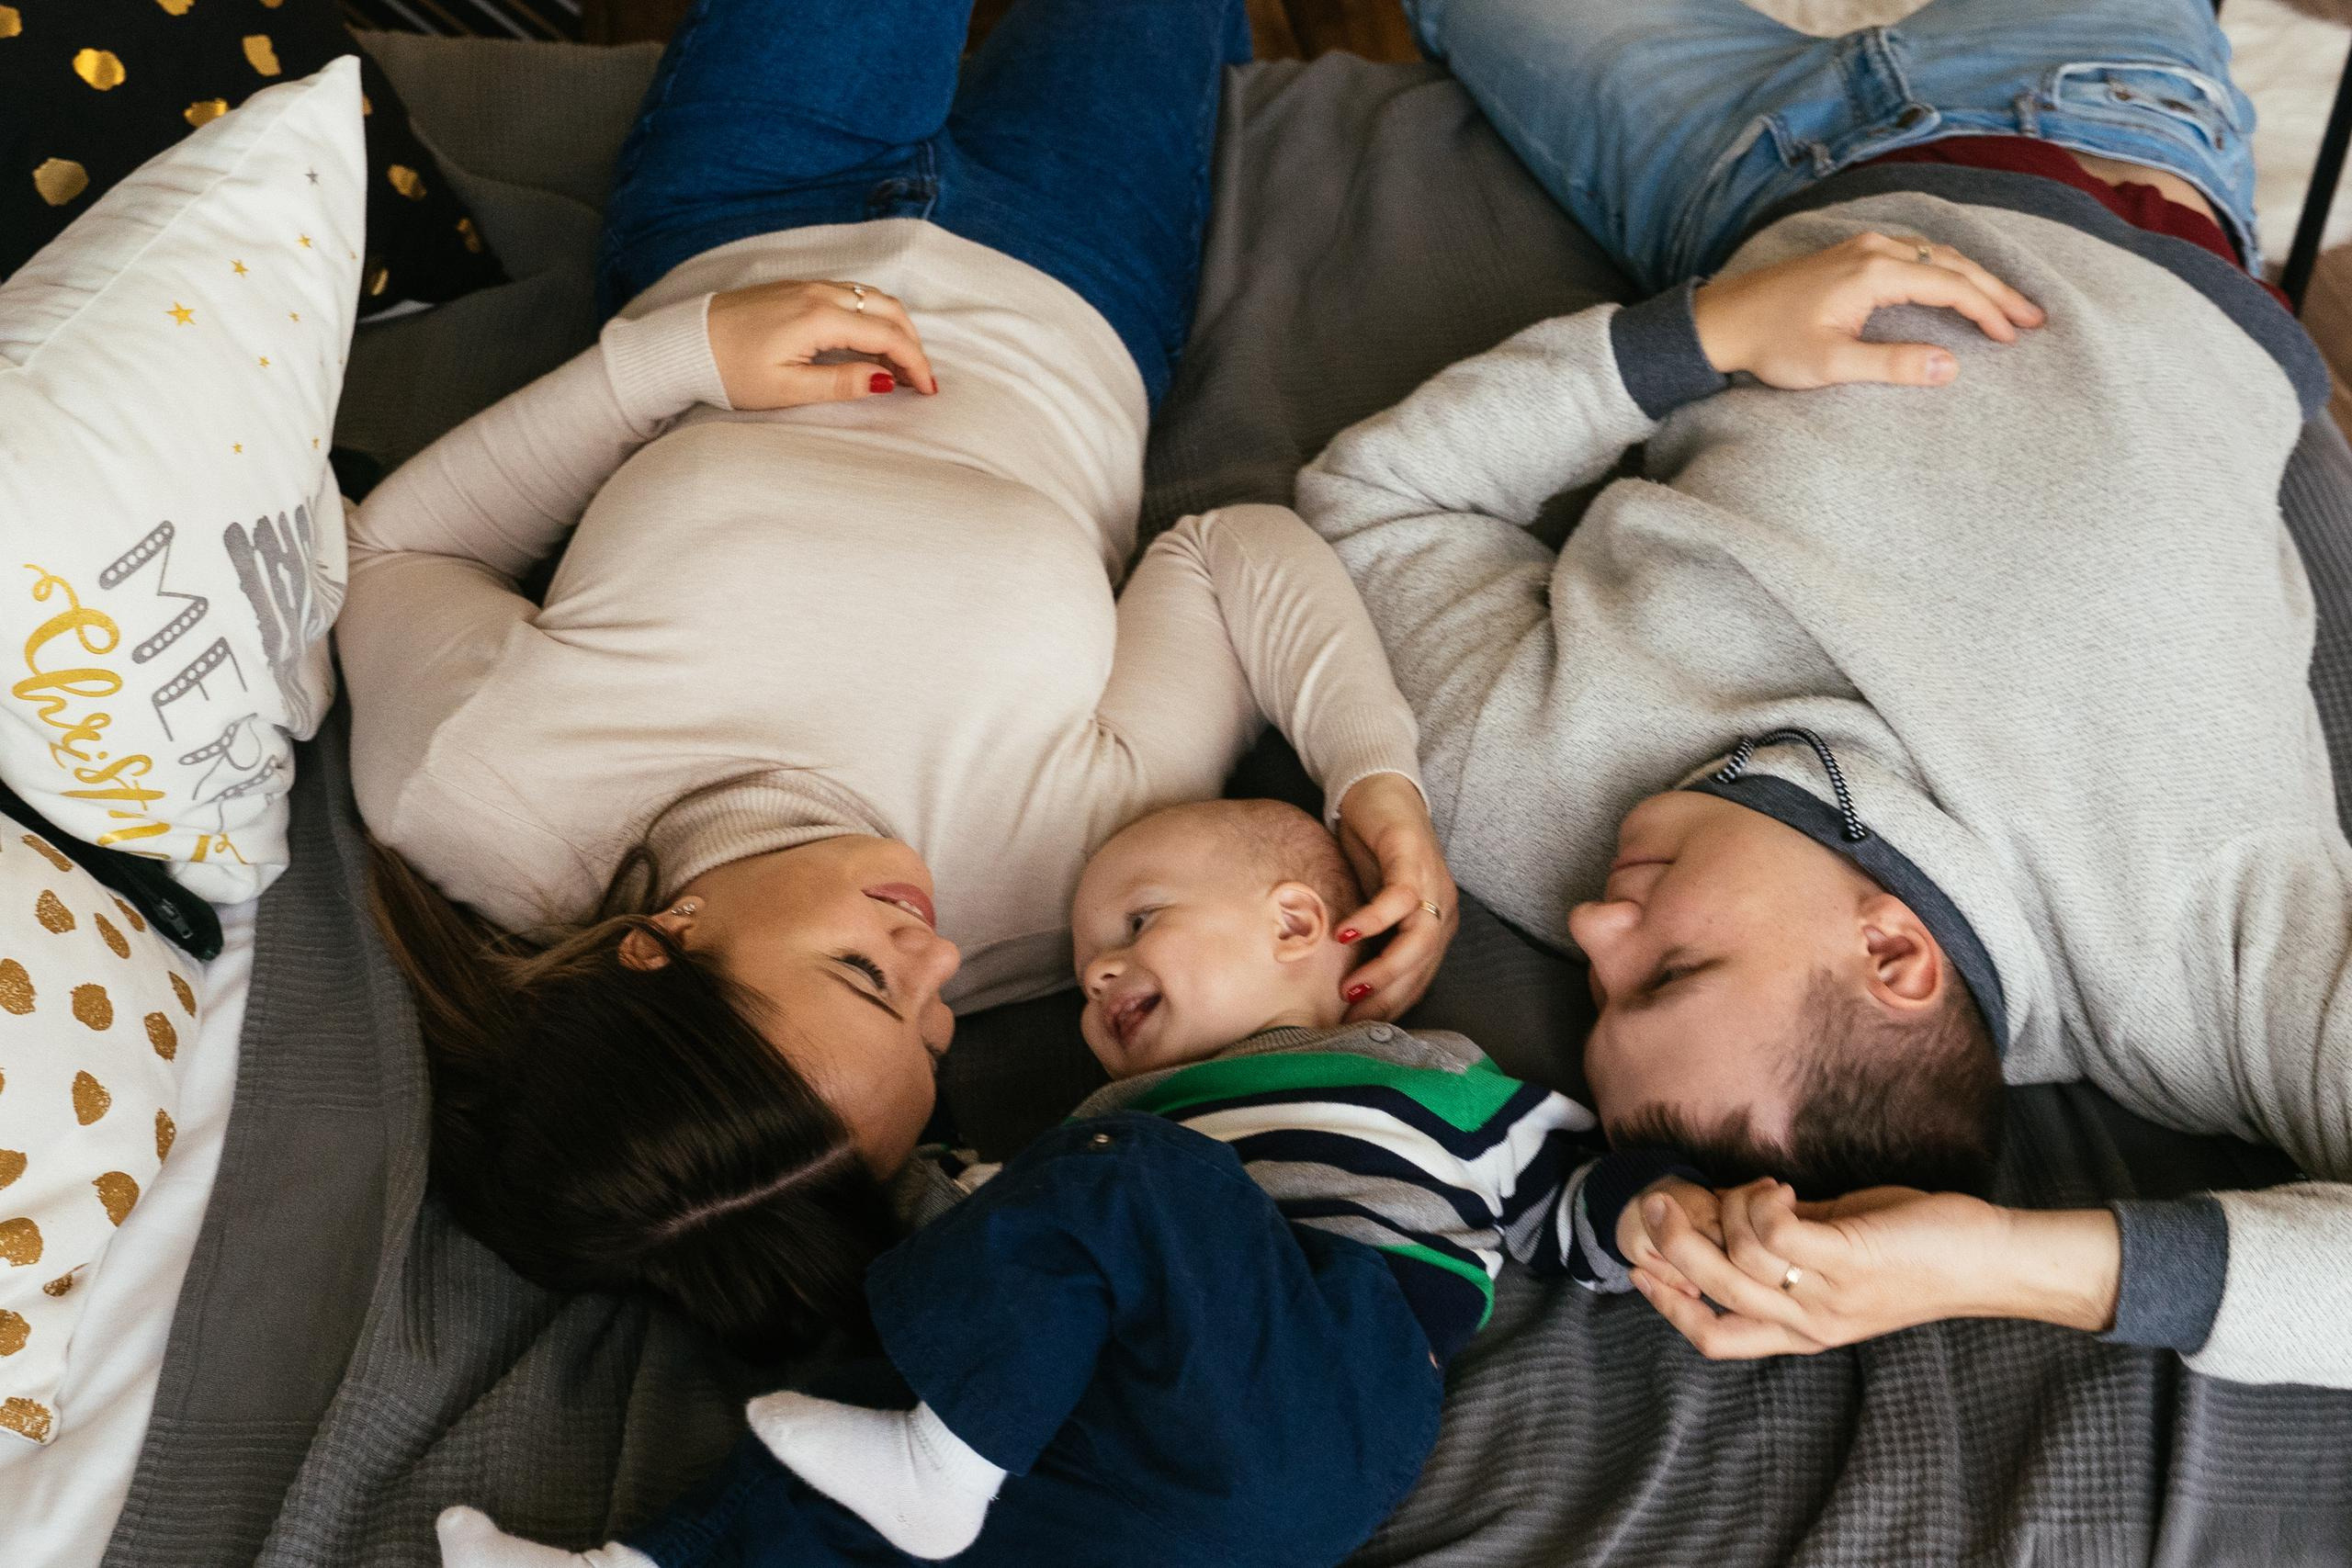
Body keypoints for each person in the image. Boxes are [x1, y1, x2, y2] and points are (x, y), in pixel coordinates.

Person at [338, 0, 1460, 1355]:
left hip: (747, 214)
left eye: (871, 975)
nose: (940, 956)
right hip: (1084, 276)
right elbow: (1228, 558)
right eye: (935, 1033)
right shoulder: (1074, 890)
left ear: (659, 948)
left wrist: (672, 365)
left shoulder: (480, 785)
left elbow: (393, 546)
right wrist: (1374, 774)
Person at [1294, 0, 2351, 1388]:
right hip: (2099, 125)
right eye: (1668, 968)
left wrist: (1703, 337)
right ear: (1894, 960)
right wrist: (1994, 1260)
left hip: (1741, 181)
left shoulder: (1533, 808)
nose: (1596, 926)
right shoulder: (2199, 948)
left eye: (1603, 994)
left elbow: (1369, 504)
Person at [427, 799, 1682, 1568]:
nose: (1093, 974)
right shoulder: (1097, 1128)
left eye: (1137, 923)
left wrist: (1671, 1213)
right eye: (1084, 960)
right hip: (1138, 1483)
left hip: (1314, 1413)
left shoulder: (1422, 1083)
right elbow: (986, 1253)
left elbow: (1563, 1201)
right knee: (857, 1418)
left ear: (1298, 927)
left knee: (1129, 1182)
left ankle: (939, 1460)